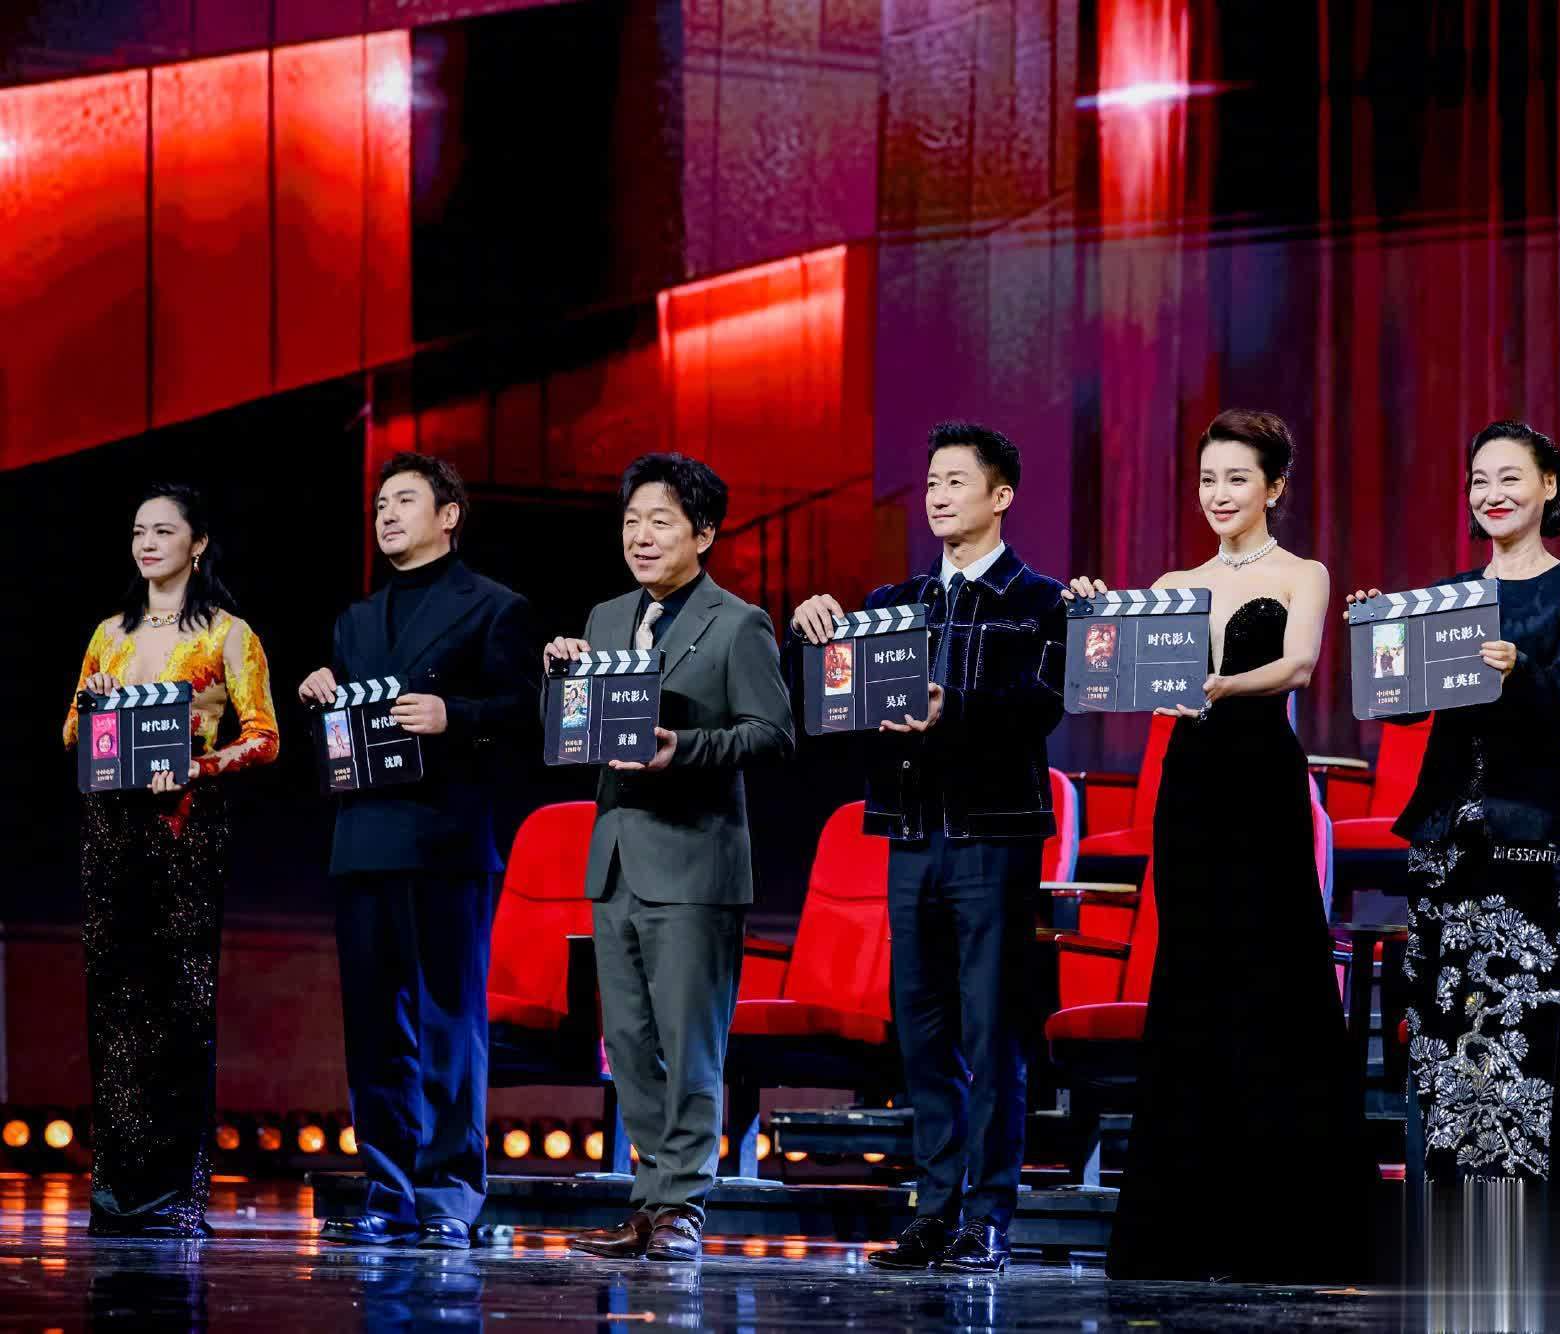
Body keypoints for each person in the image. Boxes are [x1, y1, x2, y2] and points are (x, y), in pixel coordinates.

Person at [1072, 409, 1377, 1282]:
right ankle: (1184, 1226)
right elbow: (1125, 676)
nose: (1219, 494)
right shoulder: (1176, 581)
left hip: (1262, 778)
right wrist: (1097, 618)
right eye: (1208, 479)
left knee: (1273, 973)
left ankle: (1283, 1224)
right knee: (1193, 977)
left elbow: (1299, 666)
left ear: (1274, 486)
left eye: (1237, 478)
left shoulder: (1303, 573)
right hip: (1192, 785)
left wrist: (1220, 685)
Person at [791, 422, 1067, 1275]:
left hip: (993, 837)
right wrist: (809, 628)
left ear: (1000, 496)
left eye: (956, 481)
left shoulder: (1038, 599)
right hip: (911, 833)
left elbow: (1045, 705)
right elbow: (833, 700)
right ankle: (934, 1208)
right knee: (923, 1032)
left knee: (991, 1033)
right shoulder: (893, 603)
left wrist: (958, 707)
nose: (939, 496)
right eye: (932, 482)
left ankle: (988, 1215)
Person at [1347, 420, 1560, 1187]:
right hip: (1443, 839)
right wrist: (1379, 636)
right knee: (1444, 1027)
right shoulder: (1449, 598)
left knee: (1527, 1026)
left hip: (1529, 835)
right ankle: (1449, 1205)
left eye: (1509, 477)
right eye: (1479, 481)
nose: (1491, 494)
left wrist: (1519, 667)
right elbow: (1400, 707)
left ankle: (1530, 1211)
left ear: (1548, 486)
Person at [558, 454, 794, 1264]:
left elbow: (772, 736)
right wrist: (561, 683)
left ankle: (683, 1203)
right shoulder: (603, 619)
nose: (642, 537)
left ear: (704, 532)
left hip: (695, 861)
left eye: (660, 522)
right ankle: (649, 1199)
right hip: (616, 858)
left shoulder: (738, 623)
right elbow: (579, 733)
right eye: (631, 522)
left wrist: (682, 749)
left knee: (689, 1042)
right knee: (626, 1042)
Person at [299, 452, 538, 1249]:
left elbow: (526, 712)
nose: (388, 515)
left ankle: (448, 1198)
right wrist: (321, 700)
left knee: (447, 1026)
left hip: (445, 841)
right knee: (373, 1031)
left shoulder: (495, 607)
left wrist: (453, 715)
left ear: (449, 515)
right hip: (363, 840)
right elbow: (345, 739)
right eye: (379, 506)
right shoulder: (355, 622)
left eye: (404, 501)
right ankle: (389, 1190)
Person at [63, 483, 280, 1237]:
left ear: (198, 543)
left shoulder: (228, 634)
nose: (148, 544)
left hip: (184, 827)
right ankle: (116, 1193)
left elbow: (265, 737)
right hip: (110, 828)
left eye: (163, 531)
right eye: (138, 532)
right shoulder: (108, 635)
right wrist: (93, 702)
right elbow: (71, 734)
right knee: (114, 1008)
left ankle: (172, 1195)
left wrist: (201, 766)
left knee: (178, 1007)